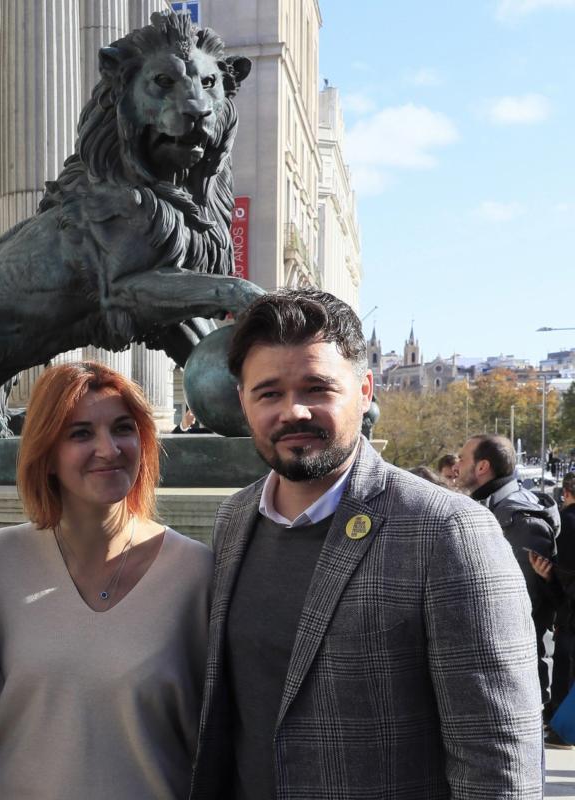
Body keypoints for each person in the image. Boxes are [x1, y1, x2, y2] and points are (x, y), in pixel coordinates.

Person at [190, 289, 541, 799]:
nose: (294, 411)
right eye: (269, 394)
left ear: (364, 391)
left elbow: (498, 762)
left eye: (317, 388)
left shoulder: (449, 530)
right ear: (243, 402)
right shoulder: (233, 519)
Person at [0, 361, 212, 799]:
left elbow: (216, 732)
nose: (109, 449)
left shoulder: (196, 571)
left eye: (123, 429)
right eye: (80, 434)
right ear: (46, 455)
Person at [456, 433, 561, 711]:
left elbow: (519, 608)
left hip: (515, 677)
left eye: (462, 459)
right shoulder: (491, 508)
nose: (456, 466)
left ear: (482, 467)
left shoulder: (521, 521)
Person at [529, 472, 575, 743]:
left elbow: (564, 580)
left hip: (570, 618)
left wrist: (547, 578)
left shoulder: (566, 524)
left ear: (566, 493)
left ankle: (562, 728)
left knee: (565, 672)